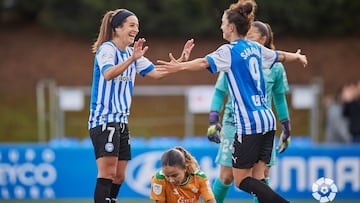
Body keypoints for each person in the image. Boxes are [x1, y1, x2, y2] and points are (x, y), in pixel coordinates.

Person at [156, 1, 307, 202]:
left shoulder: (229, 51)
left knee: (241, 181)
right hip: (268, 120)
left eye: (222, 23)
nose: (220, 27)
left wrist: (179, 67)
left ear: (231, 27)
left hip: (248, 124)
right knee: (259, 179)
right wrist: (297, 57)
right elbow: (280, 56)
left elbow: (203, 62)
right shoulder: (255, 48)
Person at [88, 8, 194, 203]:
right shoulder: (107, 49)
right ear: (117, 28)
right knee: (108, 173)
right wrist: (132, 60)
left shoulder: (131, 53)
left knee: (119, 175)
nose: (136, 29)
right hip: (104, 120)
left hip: (121, 121)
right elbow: (108, 73)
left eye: (137, 25)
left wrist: (180, 63)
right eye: (131, 25)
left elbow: (156, 73)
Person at [208, 20, 293, 203]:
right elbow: (220, 91)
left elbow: (279, 98)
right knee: (226, 175)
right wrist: (213, 118)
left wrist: (286, 126)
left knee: (261, 175)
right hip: (235, 122)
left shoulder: (275, 67)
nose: (246, 39)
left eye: (251, 36)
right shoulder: (236, 56)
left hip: (261, 123)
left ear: (262, 40)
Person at [150, 146, 216, 203]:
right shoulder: (159, 179)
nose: (171, 180)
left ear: (185, 168)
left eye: (174, 175)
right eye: (167, 176)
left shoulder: (199, 178)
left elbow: (210, 201)